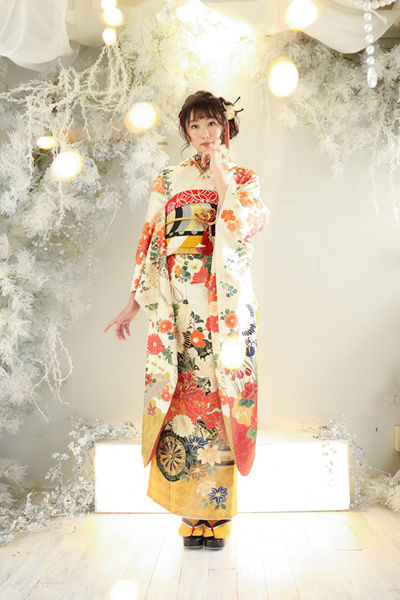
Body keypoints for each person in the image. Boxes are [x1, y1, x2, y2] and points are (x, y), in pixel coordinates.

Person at [104, 90, 270, 550]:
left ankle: (217, 514)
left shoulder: (243, 177)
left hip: (221, 307)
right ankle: (190, 512)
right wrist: (134, 303)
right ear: (185, 130)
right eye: (194, 126)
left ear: (226, 126)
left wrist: (220, 174)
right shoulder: (168, 178)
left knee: (219, 399)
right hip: (178, 303)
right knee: (181, 398)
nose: (203, 133)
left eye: (212, 124)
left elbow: (245, 225)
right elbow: (152, 242)